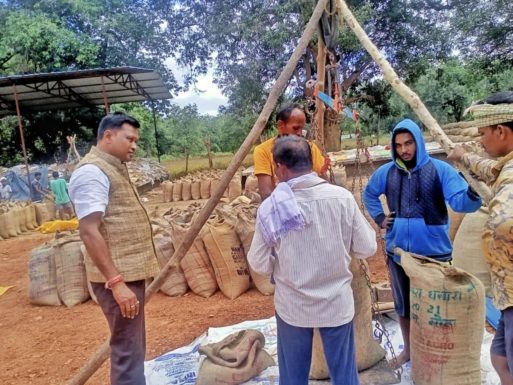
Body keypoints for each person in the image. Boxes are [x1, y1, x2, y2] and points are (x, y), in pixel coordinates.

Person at [248, 135, 377, 385]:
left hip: (293, 306)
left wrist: (284, 263)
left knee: (294, 378)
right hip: (336, 303)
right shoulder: (341, 198)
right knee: (345, 376)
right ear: (310, 162)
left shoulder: (272, 208)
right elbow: (367, 247)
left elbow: (259, 263)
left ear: (281, 169)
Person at [363, 118, 482, 368]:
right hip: (399, 254)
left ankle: (436, 354)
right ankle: (409, 351)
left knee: (436, 309)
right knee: (403, 307)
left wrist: (474, 190)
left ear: (418, 142)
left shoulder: (440, 170)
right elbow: (369, 193)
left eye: (409, 143)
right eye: (398, 145)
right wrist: (380, 218)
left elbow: (461, 202)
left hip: (433, 256)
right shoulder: (387, 173)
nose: (404, 150)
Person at [69, 113, 159, 385]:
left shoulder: (112, 166)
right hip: (118, 278)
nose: (134, 145)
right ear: (108, 135)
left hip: (126, 274)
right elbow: (89, 230)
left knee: (132, 345)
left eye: (136, 140)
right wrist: (116, 282)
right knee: (127, 350)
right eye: (129, 138)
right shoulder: (92, 172)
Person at [447, 91, 513, 385]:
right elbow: (492, 168)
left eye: (483, 133)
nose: (481, 140)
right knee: (500, 358)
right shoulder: (504, 166)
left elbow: (503, 225)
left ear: (501, 131)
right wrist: (465, 157)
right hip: (506, 298)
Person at [253, 103, 329, 200]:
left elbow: (324, 182)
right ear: (280, 125)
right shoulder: (263, 151)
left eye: (302, 129)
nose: (300, 134)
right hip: (281, 207)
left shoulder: (310, 148)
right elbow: (266, 193)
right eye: (296, 128)